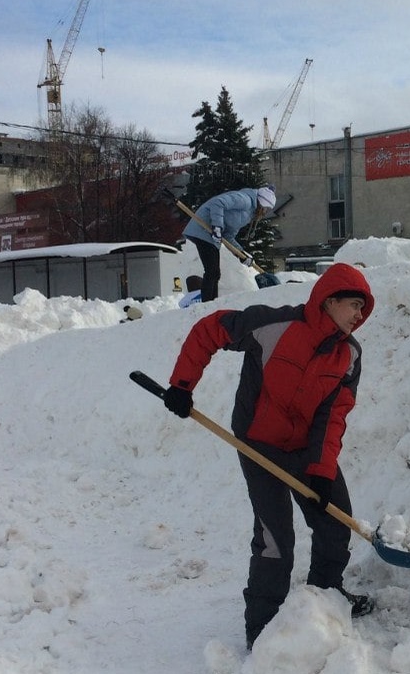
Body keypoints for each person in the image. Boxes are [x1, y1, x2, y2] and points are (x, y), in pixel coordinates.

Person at [160, 263, 376, 649]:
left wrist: (322, 471)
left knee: (333, 525)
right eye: (354, 305)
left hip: (306, 449)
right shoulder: (274, 325)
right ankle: (261, 626)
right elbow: (209, 331)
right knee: (275, 539)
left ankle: (325, 600)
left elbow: (334, 416)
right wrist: (181, 385)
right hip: (258, 445)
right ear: (330, 301)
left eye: (363, 308)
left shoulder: (349, 357)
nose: (360, 315)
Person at [183, 186, 276, 302]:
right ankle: (207, 304)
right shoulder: (245, 200)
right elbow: (218, 203)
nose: (265, 212)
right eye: (266, 209)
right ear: (262, 202)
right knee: (212, 271)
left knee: (215, 273)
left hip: (211, 236)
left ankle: (211, 303)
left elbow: (229, 236)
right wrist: (217, 226)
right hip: (203, 229)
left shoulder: (248, 215)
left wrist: (241, 254)